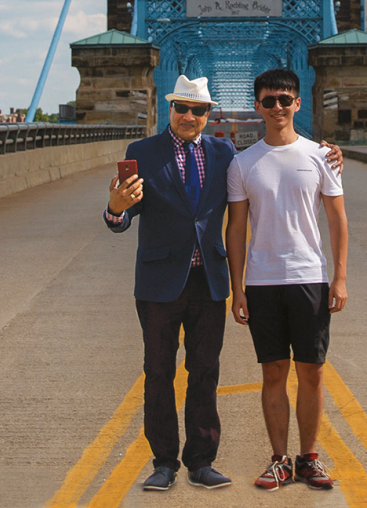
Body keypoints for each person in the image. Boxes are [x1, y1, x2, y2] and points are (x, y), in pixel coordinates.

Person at [104, 73, 343, 492]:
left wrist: (331, 153)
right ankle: (163, 462)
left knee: (205, 372)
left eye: (198, 110)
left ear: (207, 114)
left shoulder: (224, 154)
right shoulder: (142, 152)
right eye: (181, 107)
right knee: (158, 372)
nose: (189, 116)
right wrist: (115, 207)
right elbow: (122, 217)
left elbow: (254, 197)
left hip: (208, 283)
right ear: (170, 108)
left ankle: (201, 461)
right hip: (160, 283)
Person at [226, 69, 348, 492]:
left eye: (284, 99)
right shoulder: (242, 163)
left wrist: (340, 277)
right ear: (257, 106)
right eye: (268, 100)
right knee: (273, 372)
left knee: (311, 372)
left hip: (309, 278)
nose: (277, 106)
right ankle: (279, 460)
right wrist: (237, 288)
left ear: (298, 104)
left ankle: (309, 457)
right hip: (262, 282)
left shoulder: (322, 156)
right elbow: (235, 229)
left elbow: (337, 219)